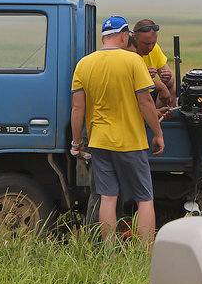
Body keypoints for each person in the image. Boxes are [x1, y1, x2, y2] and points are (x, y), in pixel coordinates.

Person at [71, 16, 164, 246]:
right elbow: (145, 103)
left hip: (100, 142)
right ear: (124, 35)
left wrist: (76, 142)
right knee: (144, 199)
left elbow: (77, 107)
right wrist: (158, 133)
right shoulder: (133, 62)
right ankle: (145, 255)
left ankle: (109, 254)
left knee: (108, 199)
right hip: (131, 141)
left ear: (104, 37)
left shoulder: (84, 64)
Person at [132, 19, 175, 106]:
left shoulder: (154, 49)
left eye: (153, 43)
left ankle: (163, 117)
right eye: (146, 44)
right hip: (131, 98)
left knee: (172, 89)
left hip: (147, 95)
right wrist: (145, 77)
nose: (150, 47)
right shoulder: (126, 52)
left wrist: (167, 78)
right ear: (134, 37)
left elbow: (171, 80)